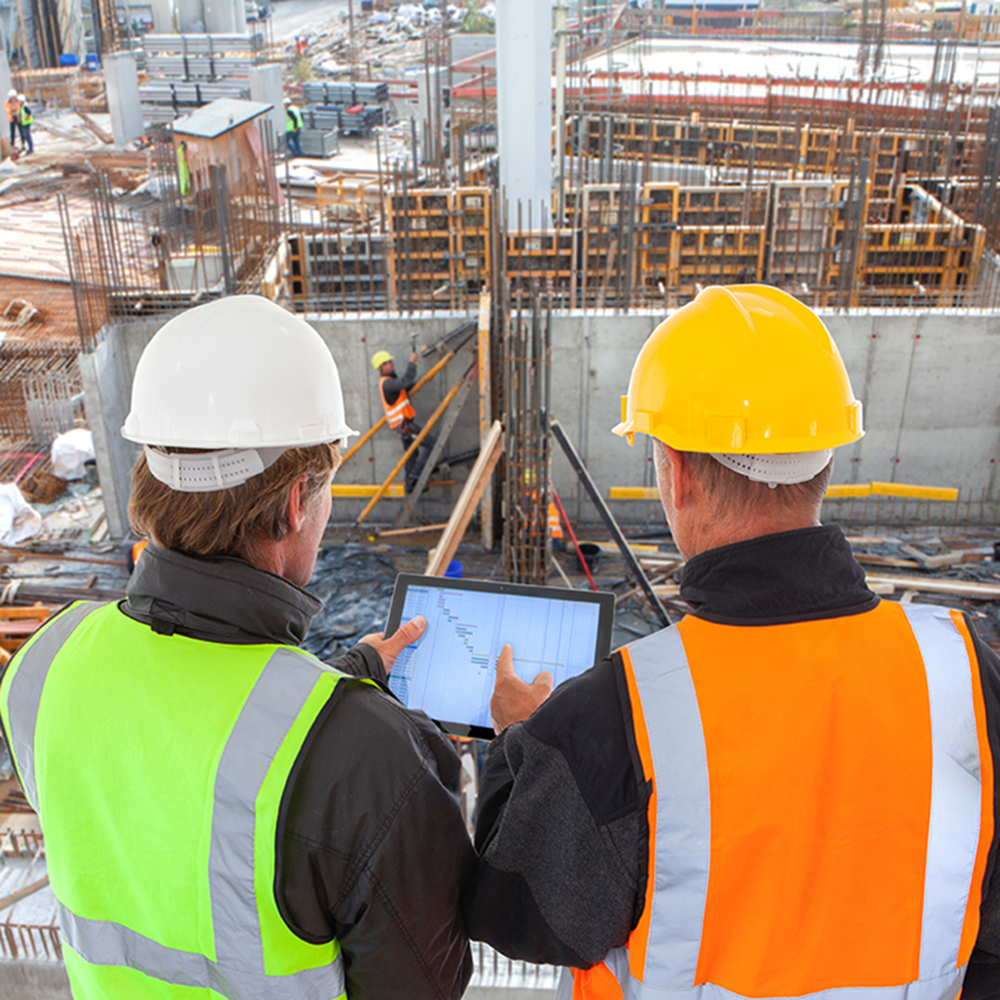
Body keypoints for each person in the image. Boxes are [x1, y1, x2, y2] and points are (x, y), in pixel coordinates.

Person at [462, 284, 1000, 1000]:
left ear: (676, 474)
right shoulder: (965, 675)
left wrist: (518, 741)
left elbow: (518, 912)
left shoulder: (613, 719)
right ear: (825, 462)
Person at [0, 296, 474, 999]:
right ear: (293, 504)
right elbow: (426, 985)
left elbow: (185, 767)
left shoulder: (45, 662)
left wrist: (354, 678)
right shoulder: (372, 759)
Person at [372, 347, 436, 493]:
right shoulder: (387, 383)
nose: (393, 363)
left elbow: (404, 388)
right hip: (404, 425)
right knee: (431, 443)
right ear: (382, 366)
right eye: (389, 362)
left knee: (411, 453)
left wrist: (423, 381)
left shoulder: (390, 382)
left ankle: (410, 484)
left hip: (403, 425)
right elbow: (405, 382)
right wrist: (411, 363)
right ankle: (415, 477)